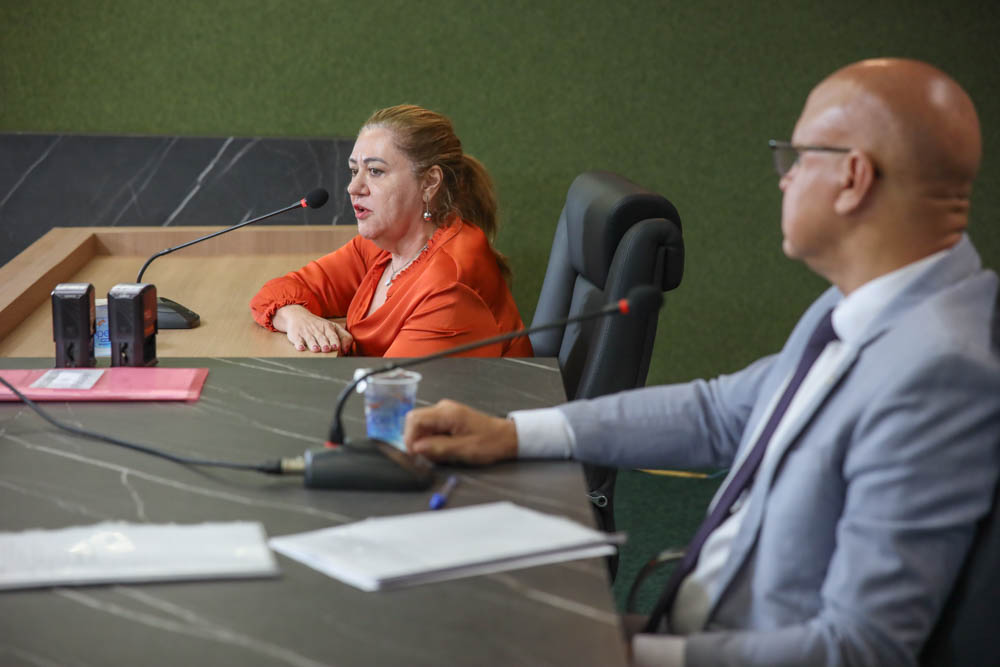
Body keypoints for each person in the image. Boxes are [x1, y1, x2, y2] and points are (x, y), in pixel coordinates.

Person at [402, 58, 1000, 666]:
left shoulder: (939, 370)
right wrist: (511, 433)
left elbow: (861, 649)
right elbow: (718, 411)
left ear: (853, 177)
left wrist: (630, 655)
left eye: (796, 158)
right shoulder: (868, 304)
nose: (785, 180)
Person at [250, 104, 533, 358]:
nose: (353, 188)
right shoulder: (382, 246)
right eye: (354, 171)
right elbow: (273, 293)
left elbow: (392, 390)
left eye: (375, 171)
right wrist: (295, 317)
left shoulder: (449, 285)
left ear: (429, 182)